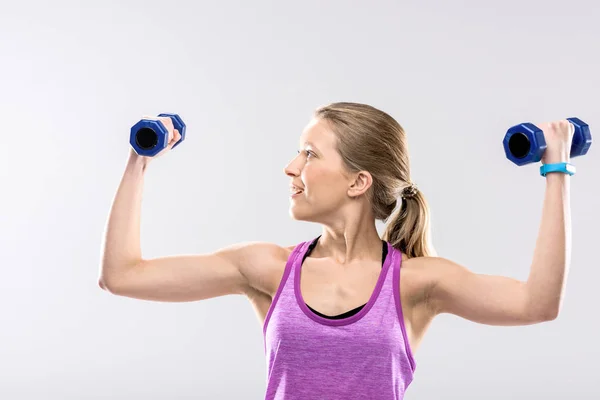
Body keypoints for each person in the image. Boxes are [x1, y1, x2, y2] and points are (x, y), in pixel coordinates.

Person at [99, 102, 573, 399]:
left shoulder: (417, 282)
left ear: (358, 181)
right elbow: (122, 276)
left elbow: (537, 304)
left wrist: (556, 171)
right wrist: (139, 160)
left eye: (309, 153)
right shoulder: (266, 267)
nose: (291, 167)